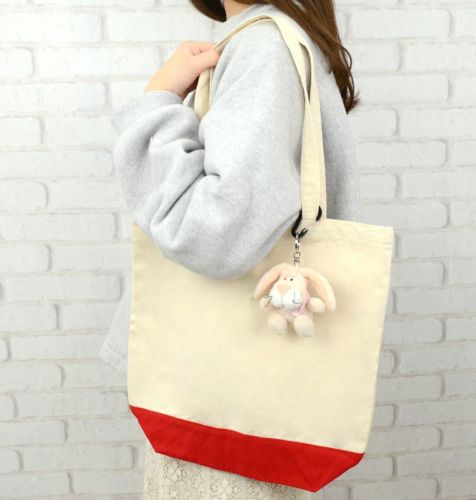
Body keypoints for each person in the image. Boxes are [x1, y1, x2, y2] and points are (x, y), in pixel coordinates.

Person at [101, 0, 361, 497]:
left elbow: (214, 230)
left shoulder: (263, 47)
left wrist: (156, 103)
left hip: (218, 398)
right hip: (236, 391)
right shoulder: (274, 37)